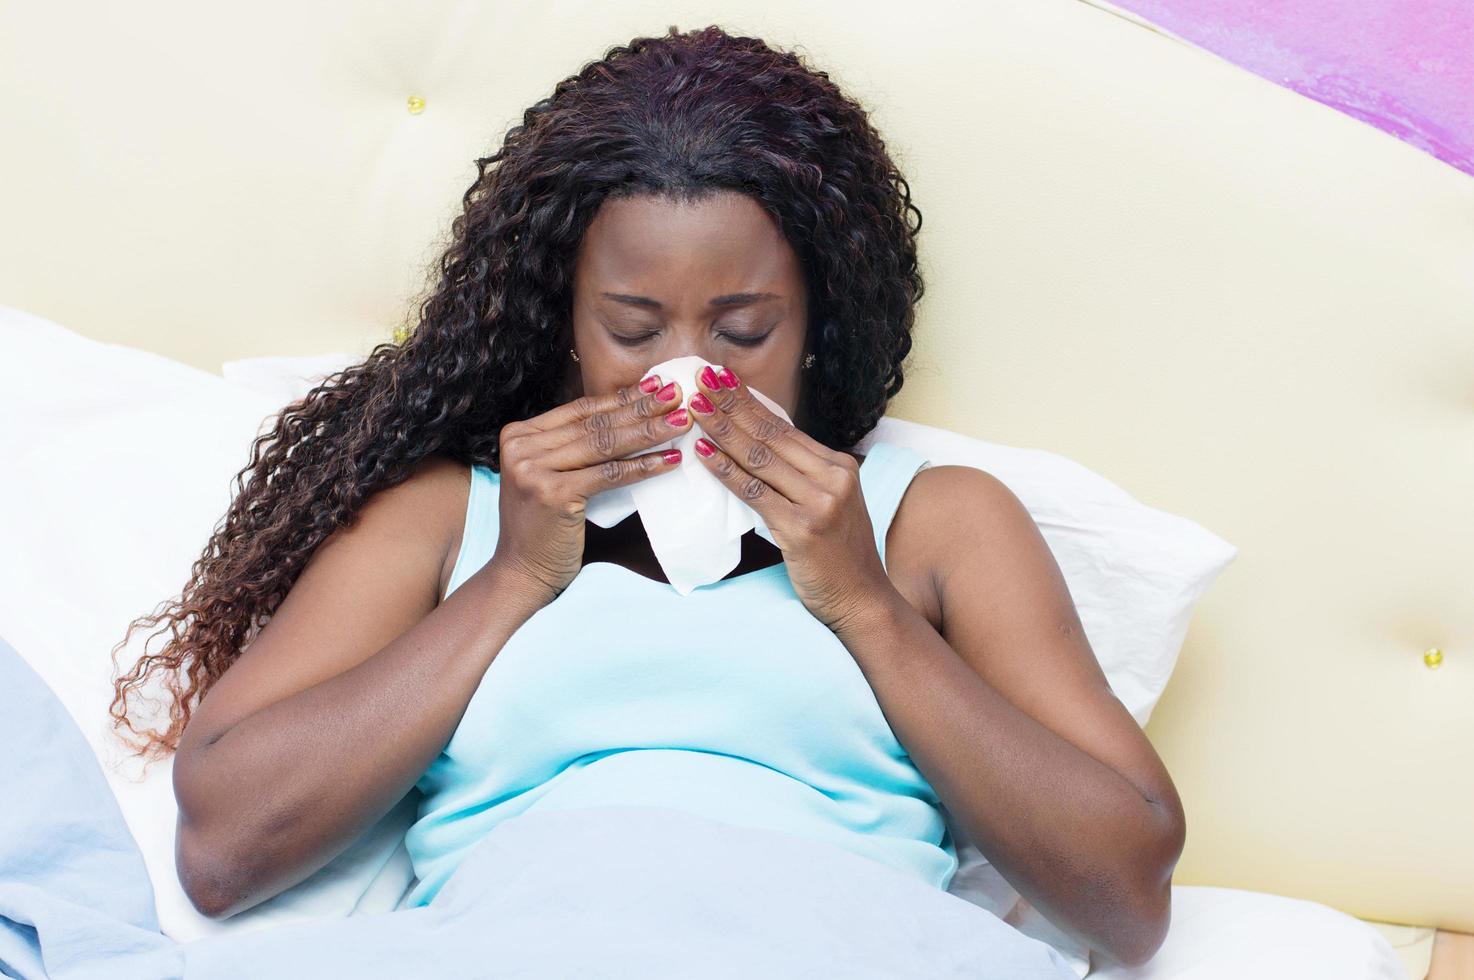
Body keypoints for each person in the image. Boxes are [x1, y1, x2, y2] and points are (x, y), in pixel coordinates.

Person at [107, 24, 1183, 970]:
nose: (688, 376)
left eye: (744, 331)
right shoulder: (453, 516)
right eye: (632, 329)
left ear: (821, 322)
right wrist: (514, 577)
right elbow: (222, 847)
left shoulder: (932, 520)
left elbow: (1126, 895)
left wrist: (864, 604)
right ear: (562, 321)